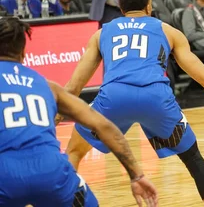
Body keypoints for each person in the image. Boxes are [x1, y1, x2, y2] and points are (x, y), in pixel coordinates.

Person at [62, 0, 204, 207]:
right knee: (193, 157)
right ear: (149, 6)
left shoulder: (102, 33)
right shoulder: (168, 31)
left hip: (113, 98)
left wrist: (57, 113)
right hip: (156, 98)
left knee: (73, 152)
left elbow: (74, 87)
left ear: (121, 8)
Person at [0, 17, 158, 207]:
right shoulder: (47, 86)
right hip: (53, 174)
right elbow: (103, 126)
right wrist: (136, 175)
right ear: (24, 52)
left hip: (5, 176)